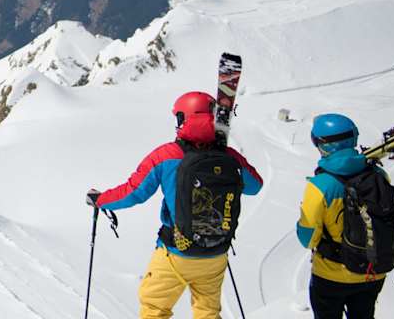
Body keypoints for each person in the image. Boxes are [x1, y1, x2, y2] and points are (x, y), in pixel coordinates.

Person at [86, 91, 263, 319]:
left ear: (183, 119)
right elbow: (255, 186)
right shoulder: (229, 156)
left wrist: (100, 200)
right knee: (208, 312)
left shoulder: (166, 155)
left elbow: (133, 193)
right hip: (216, 252)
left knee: (154, 310)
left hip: (176, 251)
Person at [297, 113, 390, 319]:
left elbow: (307, 237)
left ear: (323, 145)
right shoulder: (379, 176)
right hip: (373, 272)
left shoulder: (320, 186)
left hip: (332, 274)